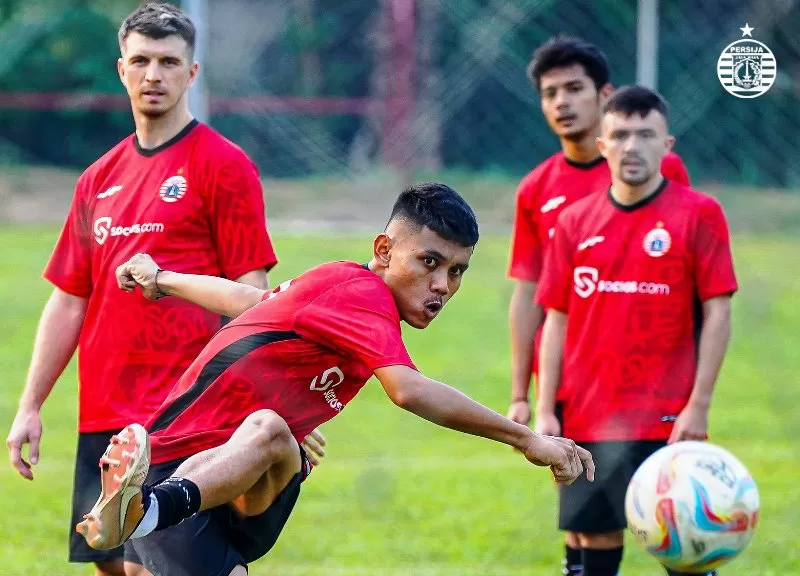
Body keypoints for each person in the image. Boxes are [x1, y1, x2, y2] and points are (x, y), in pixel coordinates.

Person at [73, 182, 596, 576]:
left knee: (277, 435)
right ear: (385, 250)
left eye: (457, 271)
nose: (442, 285)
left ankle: (145, 515)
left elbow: (253, 302)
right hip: (179, 468)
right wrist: (528, 439)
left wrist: (163, 279)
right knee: (272, 430)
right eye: (430, 262)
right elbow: (408, 390)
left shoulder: (337, 290)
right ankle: (145, 511)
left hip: (238, 486)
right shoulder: (359, 292)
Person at [2, 4, 321, 576]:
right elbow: (70, 298)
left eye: (170, 62)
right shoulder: (96, 180)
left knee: (168, 565)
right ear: (120, 69)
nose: (155, 75)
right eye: (142, 61)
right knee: (115, 567)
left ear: (192, 74)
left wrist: (272, 399)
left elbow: (254, 298)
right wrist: (30, 405)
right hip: (104, 410)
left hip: (182, 410)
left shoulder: (224, 166)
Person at [534, 86, 737, 576]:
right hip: (586, 417)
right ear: (602, 145)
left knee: (684, 544)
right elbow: (555, 320)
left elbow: (718, 313)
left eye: (645, 134)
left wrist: (699, 404)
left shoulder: (699, 214)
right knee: (594, 541)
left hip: (666, 420)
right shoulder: (575, 220)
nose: (632, 146)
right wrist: (544, 408)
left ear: (667, 145)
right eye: (620, 135)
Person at [506, 38, 691, 574]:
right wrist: (524, 393)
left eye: (574, 89)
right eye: (549, 93)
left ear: (604, 94)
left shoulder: (662, 171)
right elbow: (528, 296)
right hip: (574, 385)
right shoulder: (537, 189)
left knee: (674, 524)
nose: (561, 102)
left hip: (652, 388)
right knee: (586, 526)